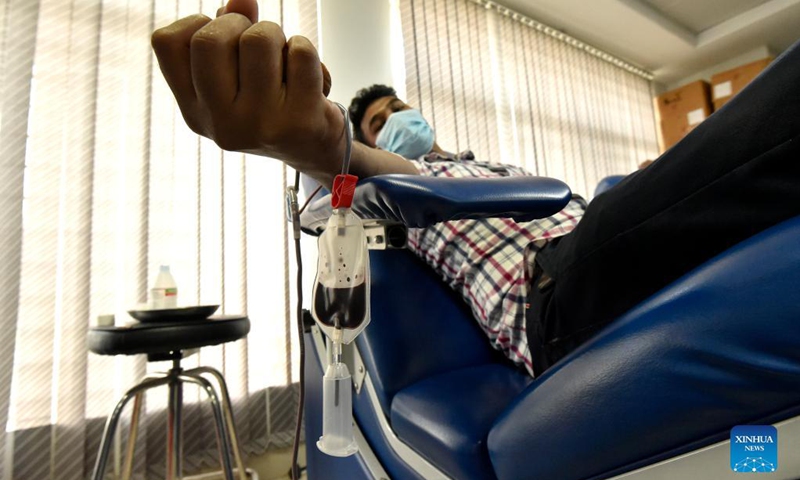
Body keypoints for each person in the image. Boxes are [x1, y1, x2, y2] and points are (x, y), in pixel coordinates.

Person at [151, 0, 800, 376]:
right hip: (553, 294)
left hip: (597, 238)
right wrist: (318, 148)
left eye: (397, 110)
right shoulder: (407, 183)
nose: (397, 123)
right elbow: (346, 180)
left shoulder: (493, 168)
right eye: (378, 123)